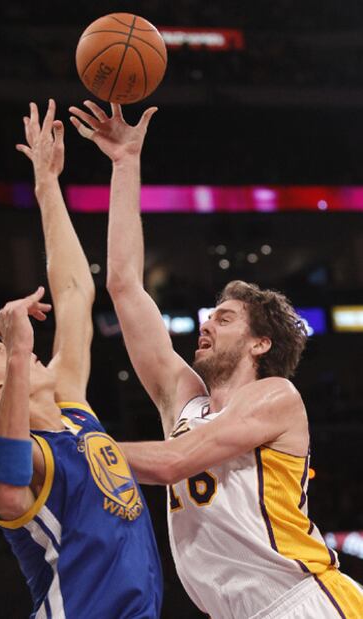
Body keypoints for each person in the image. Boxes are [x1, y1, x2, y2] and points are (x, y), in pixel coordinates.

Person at [69, 100, 363, 619]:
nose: (205, 324)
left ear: (260, 344)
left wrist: (79, 445)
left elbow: (176, 461)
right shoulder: (183, 401)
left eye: (224, 319)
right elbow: (124, 285)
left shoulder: (275, 398)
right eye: (209, 316)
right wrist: (123, 163)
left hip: (303, 601)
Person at [0, 100, 162, 619]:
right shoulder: (17, 456)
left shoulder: (71, 407)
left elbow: (72, 291)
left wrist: (46, 183)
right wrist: (19, 353)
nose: (18, 344)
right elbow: (3, 490)